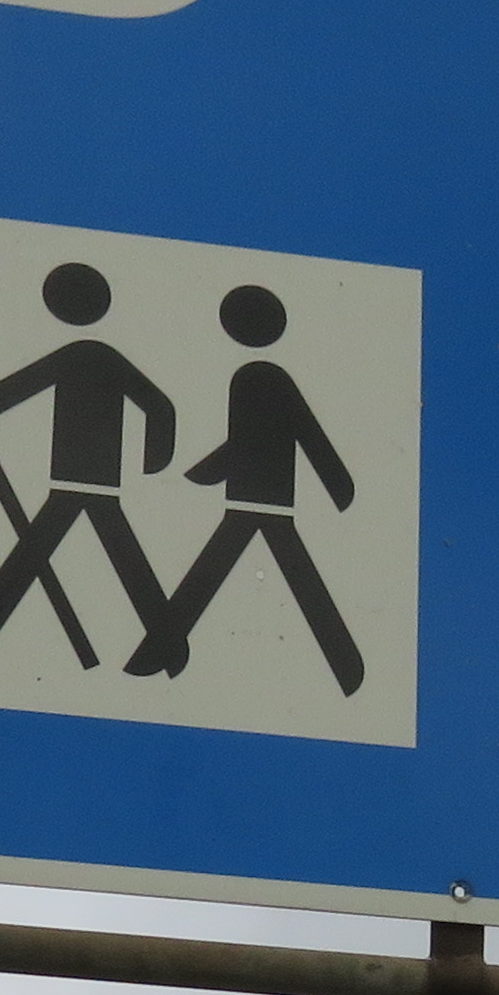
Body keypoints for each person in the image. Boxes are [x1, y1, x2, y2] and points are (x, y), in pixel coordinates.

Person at [128, 284, 363, 695]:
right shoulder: (259, 376)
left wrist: (206, 473)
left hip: (256, 497)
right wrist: (338, 486)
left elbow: (287, 433)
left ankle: (349, 672)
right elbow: (299, 434)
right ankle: (348, 672)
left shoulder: (257, 377)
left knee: (219, 575)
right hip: (257, 499)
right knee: (228, 575)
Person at [0, 263, 175, 667]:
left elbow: (157, 406)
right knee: (59, 554)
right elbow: (159, 407)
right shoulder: (93, 355)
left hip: (88, 479)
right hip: (80, 480)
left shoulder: (87, 355)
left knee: (51, 554)